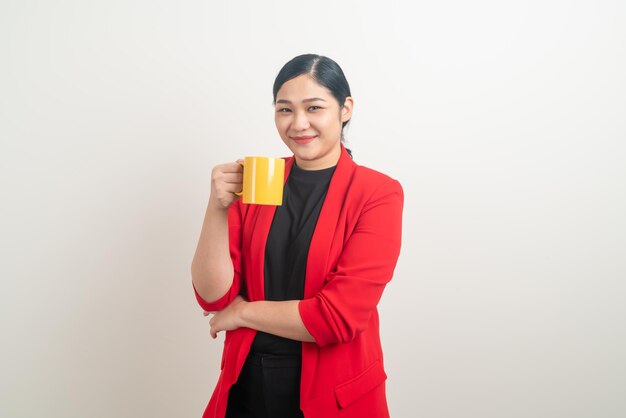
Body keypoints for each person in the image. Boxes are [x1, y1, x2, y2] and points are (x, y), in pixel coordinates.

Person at [191, 54, 404, 418]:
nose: (298, 123)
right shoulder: (261, 179)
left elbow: (336, 318)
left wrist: (243, 313)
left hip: (333, 394)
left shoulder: (377, 193)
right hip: (246, 385)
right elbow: (214, 297)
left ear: (345, 108)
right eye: (284, 110)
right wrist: (217, 208)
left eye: (314, 108)